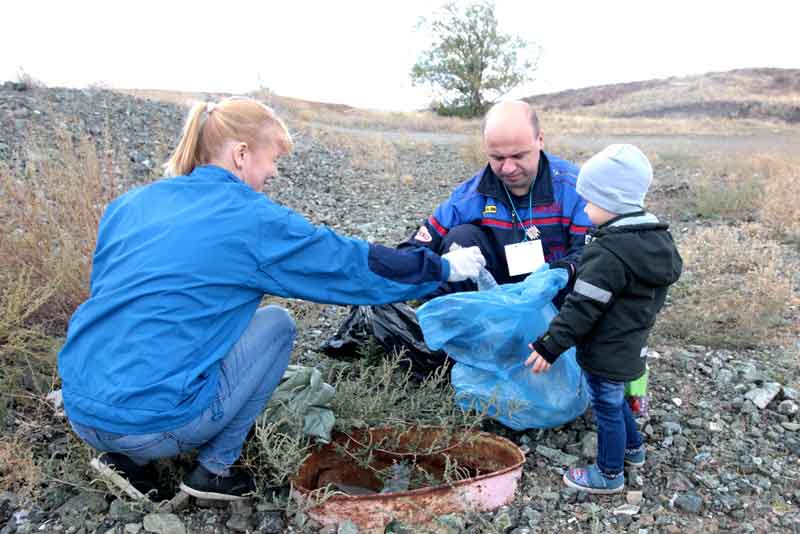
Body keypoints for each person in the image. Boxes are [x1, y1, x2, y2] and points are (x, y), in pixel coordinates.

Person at [57, 97, 486, 501]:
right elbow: (348, 265)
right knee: (276, 324)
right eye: (273, 158)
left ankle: (125, 457)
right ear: (242, 154)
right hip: (155, 425)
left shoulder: (129, 204)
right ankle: (215, 470)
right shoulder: (249, 218)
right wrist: (443, 269)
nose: (274, 173)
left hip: (82, 407)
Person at [526, 144, 683, 494]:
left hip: (605, 347)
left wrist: (549, 346)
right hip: (631, 343)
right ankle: (634, 449)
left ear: (611, 203)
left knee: (606, 406)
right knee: (615, 399)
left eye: (589, 202)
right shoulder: (656, 241)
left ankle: (609, 474)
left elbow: (582, 308)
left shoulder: (609, 253)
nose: (584, 208)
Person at [401, 100, 593, 301]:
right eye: (498, 158)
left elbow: (592, 255)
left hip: (557, 294)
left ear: (540, 140)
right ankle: (450, 318)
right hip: (495, 296)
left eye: (518, 156)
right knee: (461, 237)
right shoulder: (471, 195)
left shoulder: (576, 189)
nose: (508, 168)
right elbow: (417, 247)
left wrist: (562, 272)